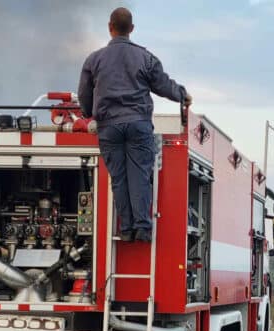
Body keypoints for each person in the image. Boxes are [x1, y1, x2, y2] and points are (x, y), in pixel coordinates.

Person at [78, 7, 192, 242]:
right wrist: (182, 95)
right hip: (138, 124)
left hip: (108, 126)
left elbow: (84, 95)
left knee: (119, 178)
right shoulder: (145, 57)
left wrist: (89, 113)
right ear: (131, 29)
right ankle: (142, 227)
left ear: (110, 27)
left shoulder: (94, 60)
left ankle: (126, 228)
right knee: (139, 175)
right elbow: (163, 85)